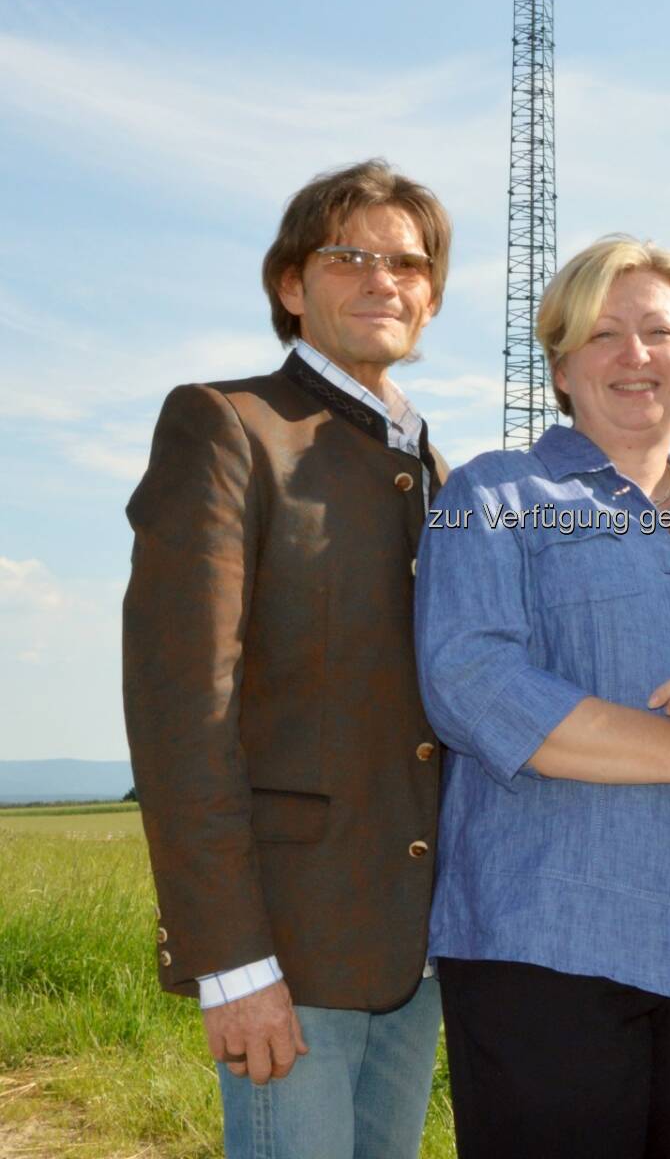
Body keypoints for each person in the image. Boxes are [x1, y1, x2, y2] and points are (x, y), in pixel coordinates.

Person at [415, 235, 670, 1159]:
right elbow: (471, 684)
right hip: (546, 944)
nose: (635, 356)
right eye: (603, 334)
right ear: (560, 367)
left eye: (659, 332)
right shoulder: (492, 497)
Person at [123, 159, 453, 1159]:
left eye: (406, 262)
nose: (381, 280)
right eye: (347, 256)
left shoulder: (435, 466)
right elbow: (185, 713)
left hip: (423, 948)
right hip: (291, 953)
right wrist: (230, 963)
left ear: (430, 297)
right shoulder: (225, 427)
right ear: (290, 285)